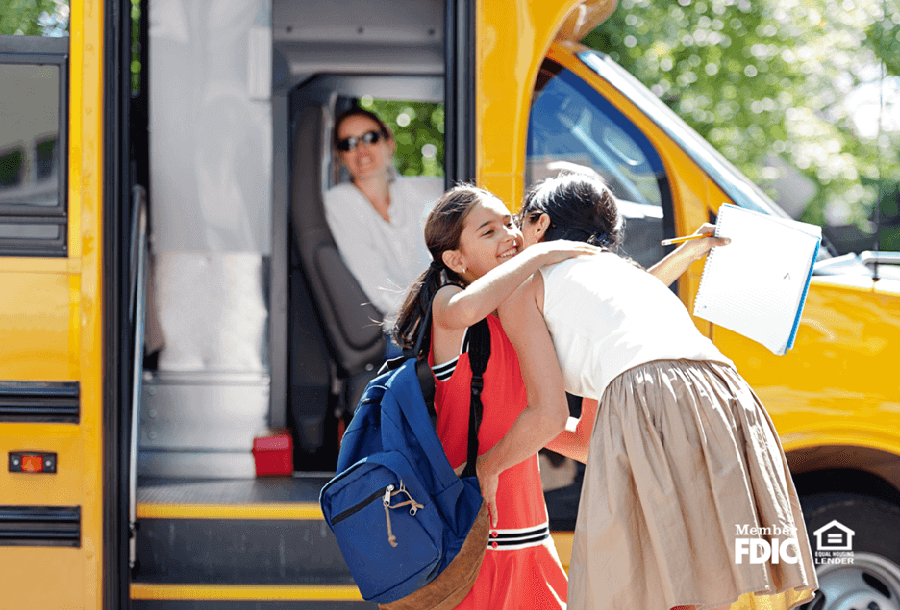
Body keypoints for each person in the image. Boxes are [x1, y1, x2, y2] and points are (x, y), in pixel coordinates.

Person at [478, 172, 818, 610]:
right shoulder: (622, 278)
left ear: (540, 225)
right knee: (703, 577)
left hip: (647, 391)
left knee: (646, 583)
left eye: (518, 223)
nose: (513, 237)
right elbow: (587, 442)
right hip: (727, 396)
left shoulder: (525, 285)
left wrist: (487, 463)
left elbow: (546, 415)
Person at [392, 184, 599, 609]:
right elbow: (467, 309)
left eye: (509, 222)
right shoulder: (450, 303)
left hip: (525, 522)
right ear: (455, 259)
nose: (509, 234)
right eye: (488, 231)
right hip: (470, 521)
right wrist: (539, 255)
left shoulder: (522, 307)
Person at [324, 107, 443, 346]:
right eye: (348, 143)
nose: (361, 150)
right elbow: (376, 284)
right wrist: (431, 320)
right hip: (403, 335)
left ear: (389, 141)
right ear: (339, 156)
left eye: (370, 138)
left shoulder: (421, 191)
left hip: (439, 321)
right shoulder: (340, 202)